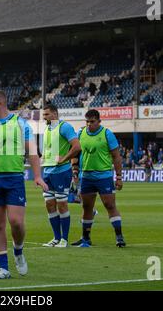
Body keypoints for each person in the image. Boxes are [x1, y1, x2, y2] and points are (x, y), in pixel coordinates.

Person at [0, 90, 48, 279]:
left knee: (16, 222)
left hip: (14, 179)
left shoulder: (20, 124)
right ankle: (3, 268)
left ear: (0, 103)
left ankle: (18, 250)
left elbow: (32, 152)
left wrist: (37, 176)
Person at [70, 109, 126, 248]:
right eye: (87, 121)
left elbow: (116, 157)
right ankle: (85, 238)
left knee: (110, 205)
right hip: (86, 176)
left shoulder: (107, 134)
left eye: (92, 122)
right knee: (87, 206)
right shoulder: (81, 133)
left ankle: (119, 236)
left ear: (99, 121)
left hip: (104, 176)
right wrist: (75, 170)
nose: (89, 124)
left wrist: (118, 177)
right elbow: (75, 153)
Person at [40, 104, 80, 248]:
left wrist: (65, 158)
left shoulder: (65, 127)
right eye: (43, 115)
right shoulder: (47, 129)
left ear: (55, 114)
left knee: (62, 204)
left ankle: (64, 239)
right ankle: (56, 238)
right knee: (49, 204)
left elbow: (77, 146)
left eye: (46, 115)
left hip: (61, 172)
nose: (44, 118)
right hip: (47, 172)